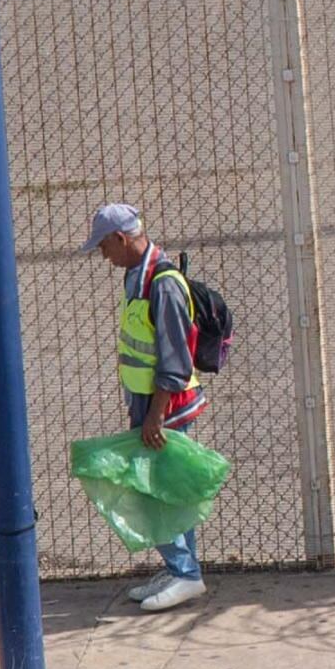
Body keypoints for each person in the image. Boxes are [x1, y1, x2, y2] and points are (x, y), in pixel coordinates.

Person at [91, 200, 211, 608]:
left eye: (104, 246)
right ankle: (182, 568)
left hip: (165, 409)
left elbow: (175, 359)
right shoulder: (138, 277)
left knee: (153, 492)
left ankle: (185, 572)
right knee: (166, 490)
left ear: (120, 239)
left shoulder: (161, 284)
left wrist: (155, 416)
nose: (103, 255)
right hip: (150, 406)